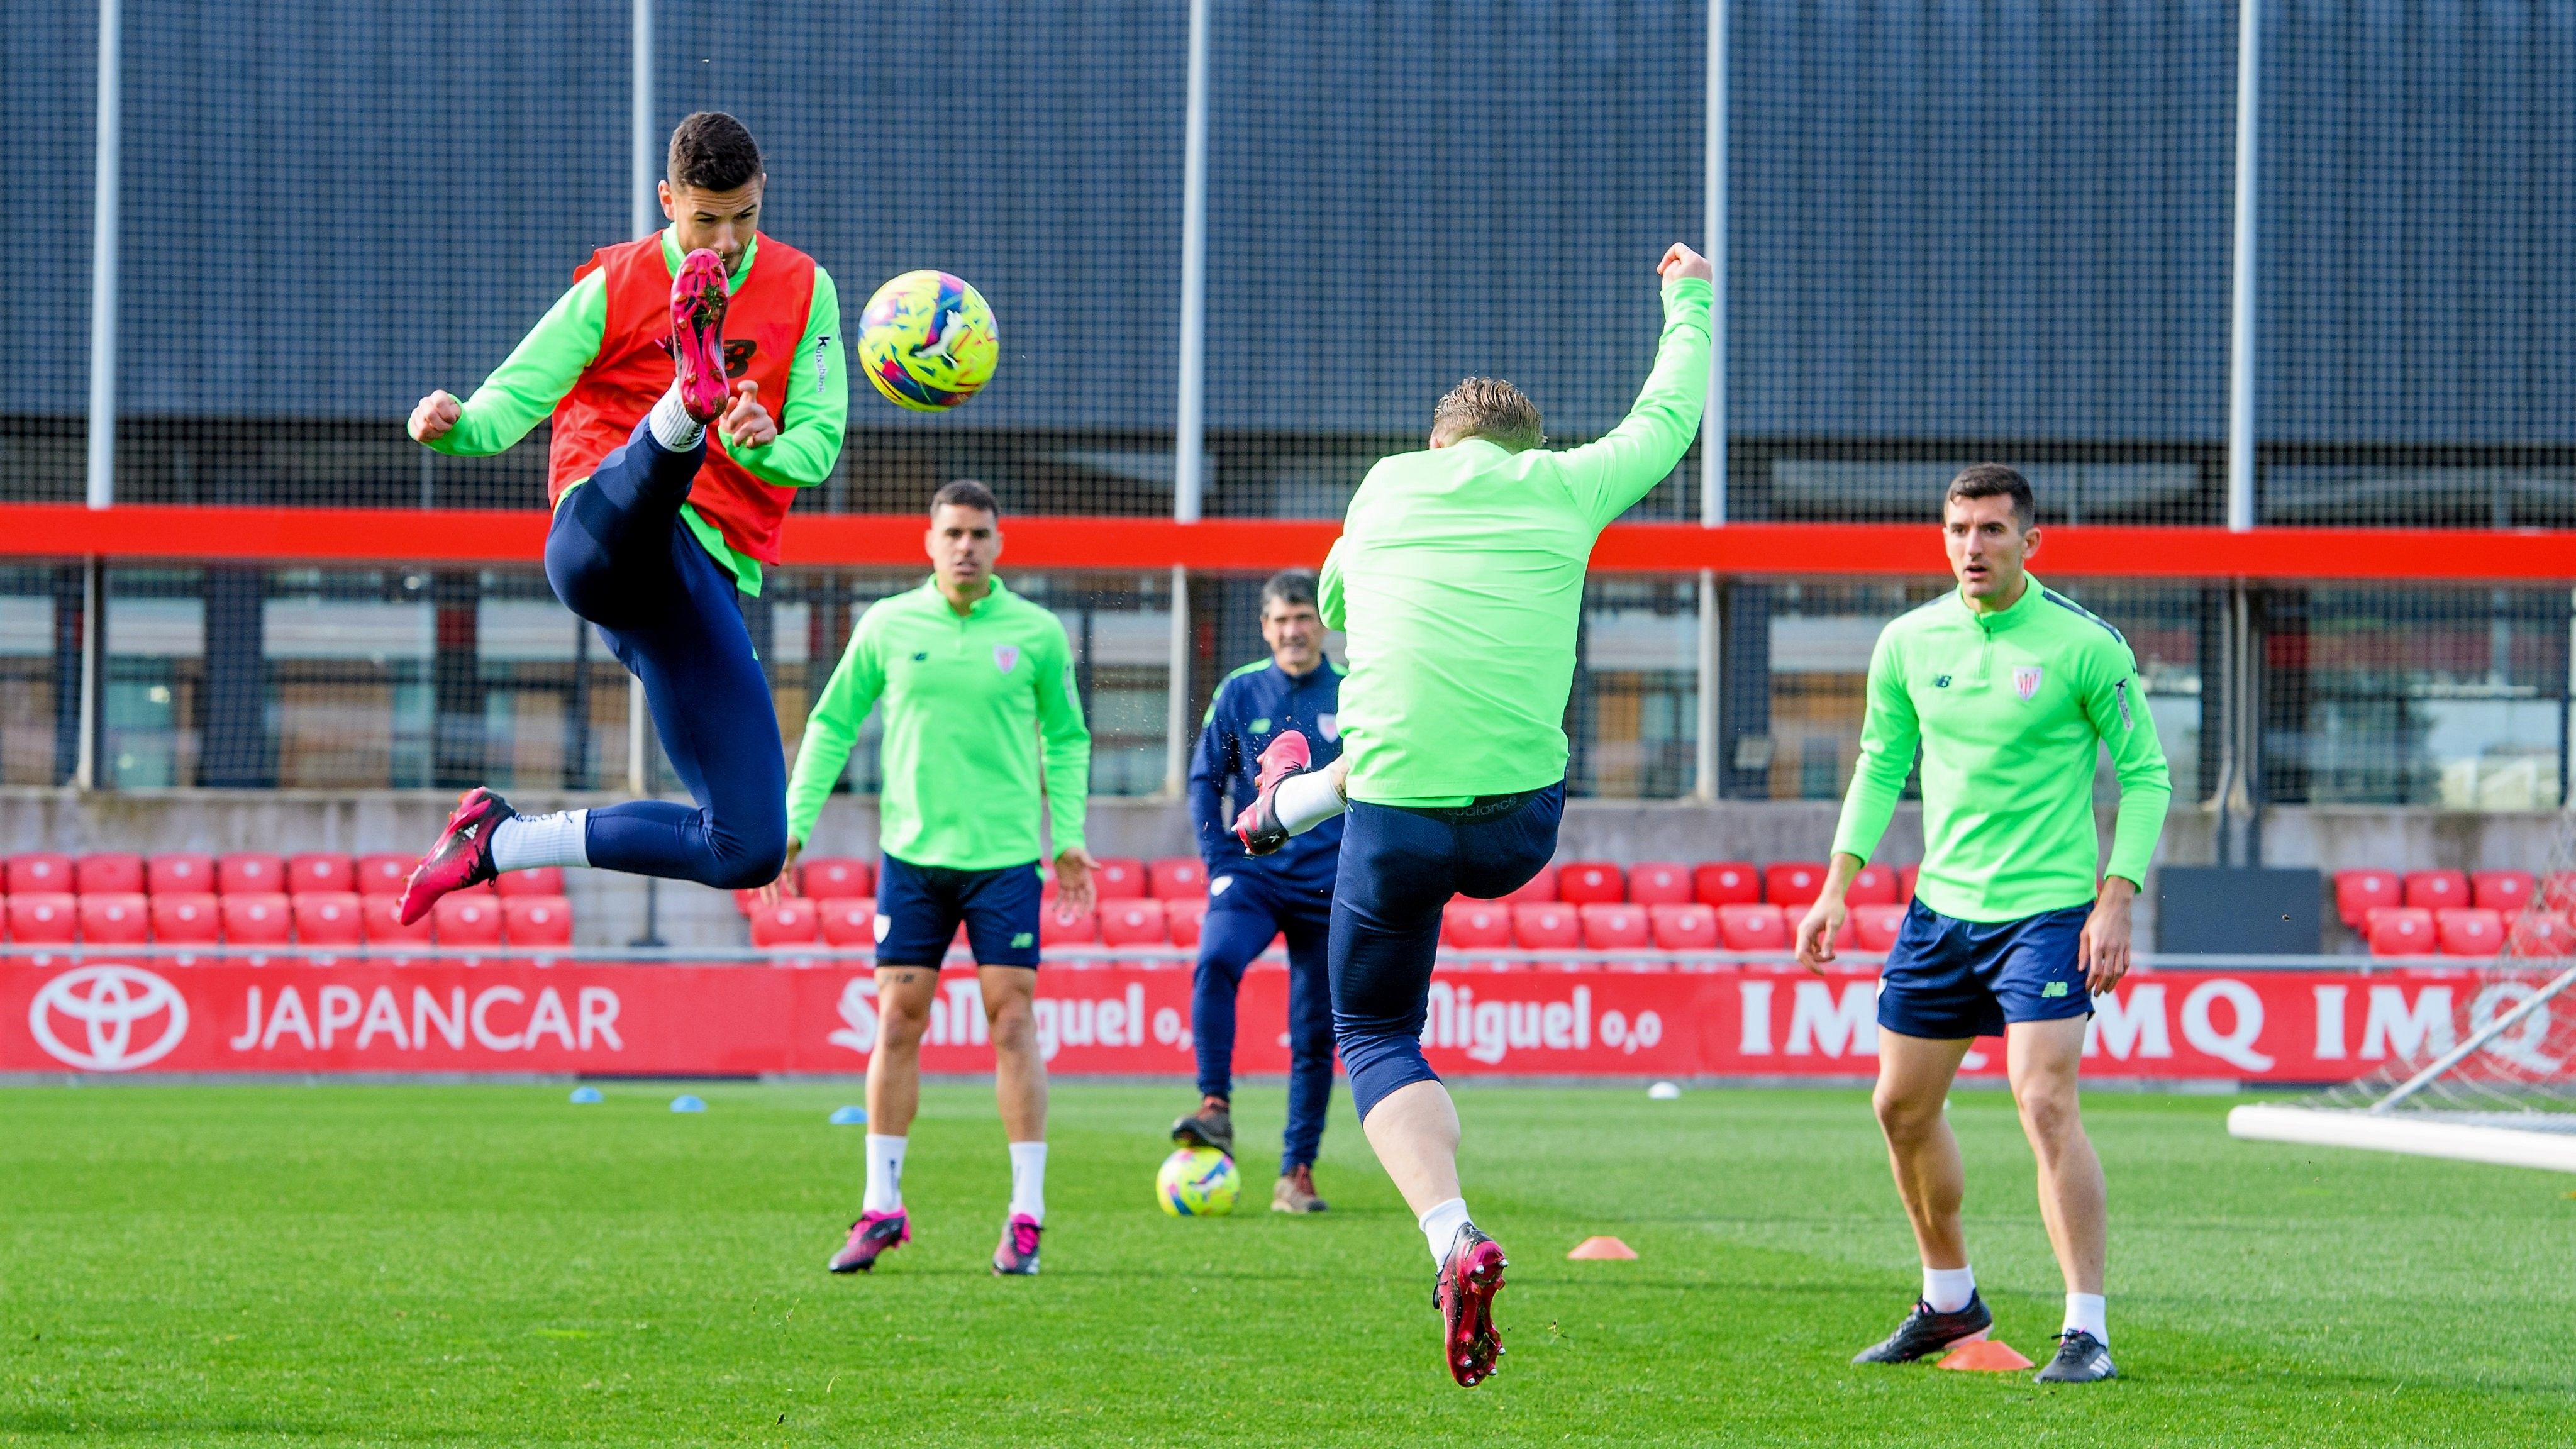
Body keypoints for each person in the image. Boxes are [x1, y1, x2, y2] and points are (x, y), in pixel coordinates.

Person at [1232, 243, 1714, 1387]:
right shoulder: (1567, 484)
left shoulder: (1386, 484)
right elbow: (1670, 411)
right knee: (1412, 740)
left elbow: (1339, 599)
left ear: (1439, 441)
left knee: (1376, 1033)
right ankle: (1297, 797)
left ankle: (1453, 1233)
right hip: (1519, 825)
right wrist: (1685, 294)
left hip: (1396, 814)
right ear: (1526, 450)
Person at [397, 112, 845, 918]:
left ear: (762, 194)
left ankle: (497, 840)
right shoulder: (612, 283)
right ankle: (684, 404)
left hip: (699, 578)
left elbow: (819, 444)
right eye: (706, 219)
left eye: (745, 214)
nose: (729, 238)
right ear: (668, 200)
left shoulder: (807, 288)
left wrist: (765, 443)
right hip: (599, 530)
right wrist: (449, 424)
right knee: (647, 499)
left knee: (747, 845)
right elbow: (510, 400)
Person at [1793, 464, 2171, 1385]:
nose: (1973, 546)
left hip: (2047, 913)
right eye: (1960, 529)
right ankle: (1949, 1298)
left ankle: (2088, 1329)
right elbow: (1882, 765)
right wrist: (1837, 885)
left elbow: (2149, 774)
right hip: (1940, 912)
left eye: (1993, 530)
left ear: (2029, 543)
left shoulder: (2086, 647)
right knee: (1900, 1107)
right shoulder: (1908, 642)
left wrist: (2116, 895)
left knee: (2043, 1102)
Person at [780, 479, 1095, 1278]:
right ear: (929, 541)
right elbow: (831, 723)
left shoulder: (1036, 633)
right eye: (952, 533)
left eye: (979, 534)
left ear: (998, 544)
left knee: (1012, 1022)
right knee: (896, 1022)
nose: (965, 547)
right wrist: (793, 825)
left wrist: (1070, 838)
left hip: (1003, 861)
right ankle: (881, 1207)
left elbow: (1067, 738)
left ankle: (1027, 1215)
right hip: (913, 859)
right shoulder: (887, 625)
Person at [1174, 569, 1344, 1214]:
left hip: (1329, 883)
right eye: (1279, 620)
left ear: (1320, 623)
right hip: (1252, 875)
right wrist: (1219, 859)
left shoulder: (1355, 692)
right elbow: (1204, 780)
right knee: (1216, 962)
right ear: (1265, 627)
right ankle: (1214, 1106)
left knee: (1313, 1031)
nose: (1292, 630)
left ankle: (1296, 1172)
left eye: (1302, 617)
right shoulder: (1241, 690)